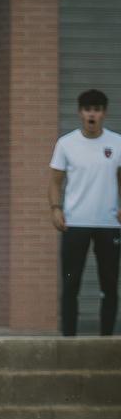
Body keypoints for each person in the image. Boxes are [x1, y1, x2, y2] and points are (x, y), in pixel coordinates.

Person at [49, 89, 121, 336]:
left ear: (104, 113)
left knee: (109, 284)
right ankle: (68, 339)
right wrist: (55, 209)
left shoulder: (116, 142)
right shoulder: (66, 143)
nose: (92, 114)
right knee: (71, 283)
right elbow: (55, 181)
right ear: (80, 113)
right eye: (88, 109)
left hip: (108, 223)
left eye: (97, 109)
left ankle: (107, 339)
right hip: (75, 222)